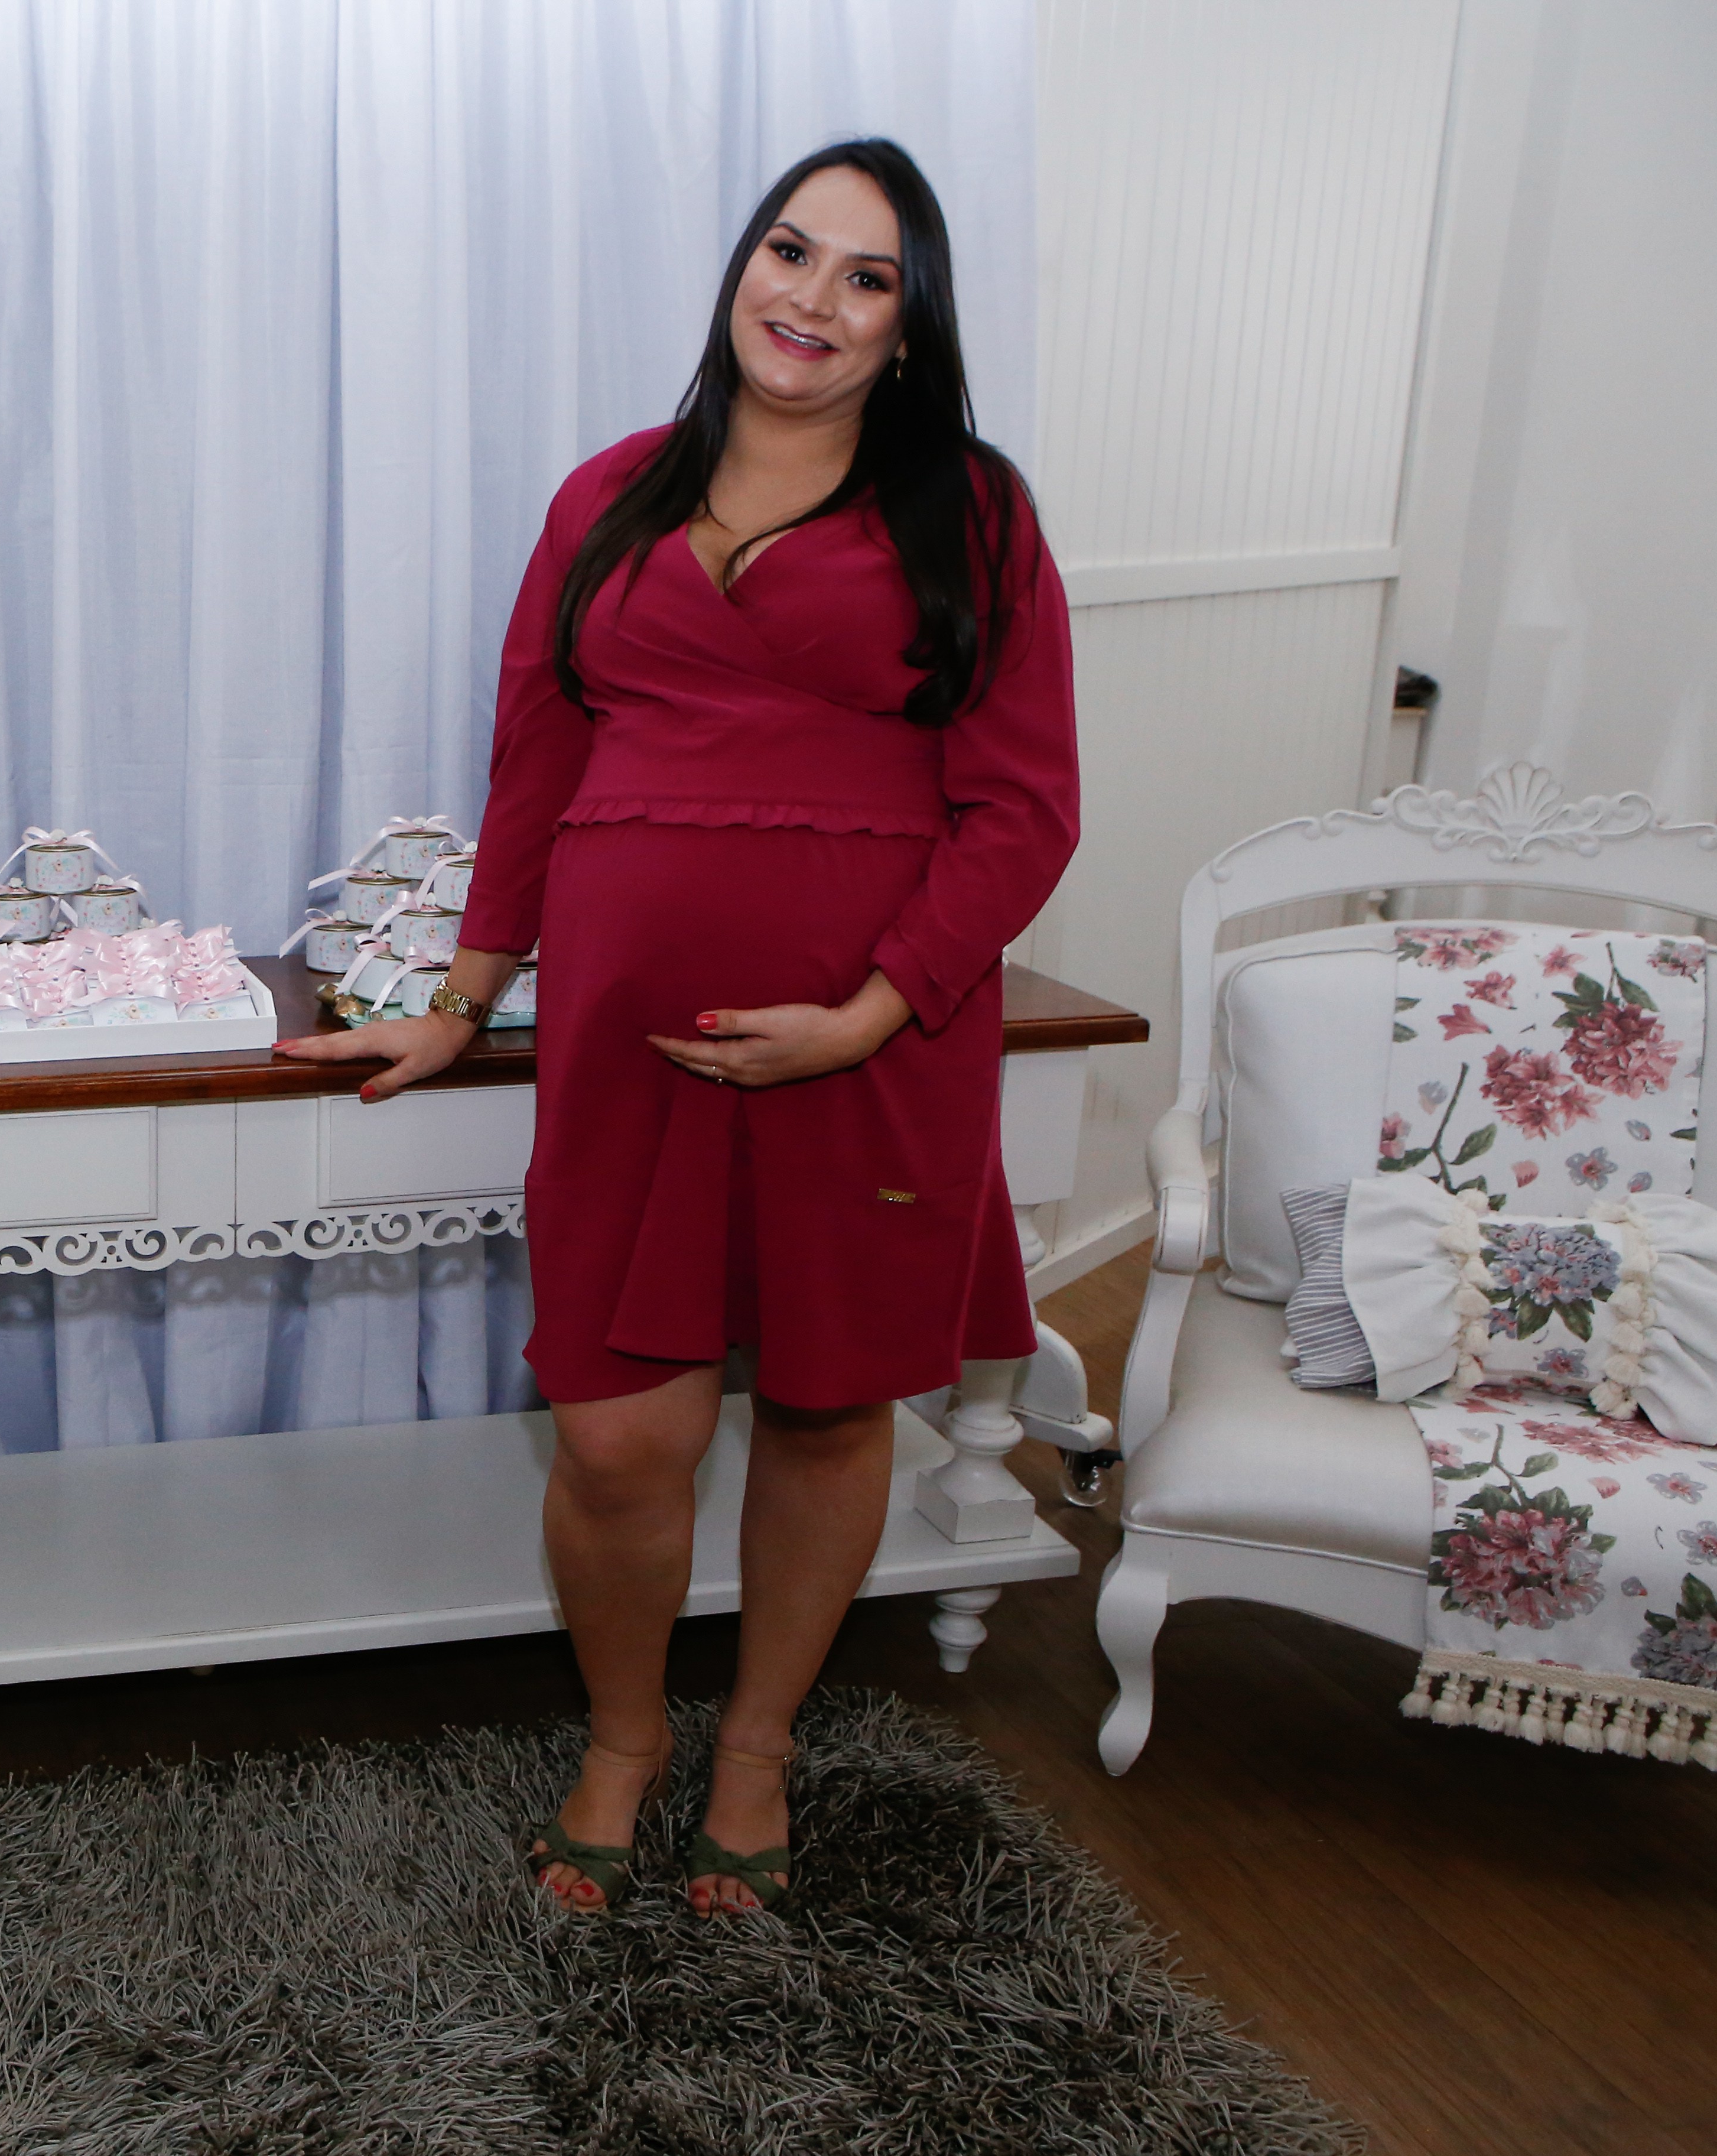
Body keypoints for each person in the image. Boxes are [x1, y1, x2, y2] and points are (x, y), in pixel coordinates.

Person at [275, 138, 1077, 1918]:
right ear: (741, 269)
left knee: (826, 1412)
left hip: (873, 1047)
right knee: (619, 1437)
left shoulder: (972, 509)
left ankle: (757, 1748)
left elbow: (1025, 808)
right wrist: (460, 1001)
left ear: (911, 325)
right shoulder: (610, 496)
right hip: (627, 1048)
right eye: (791, 252)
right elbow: (537, 759)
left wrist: (867, 1015)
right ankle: (625, 1735)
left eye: (867, 277)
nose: (814, 299)